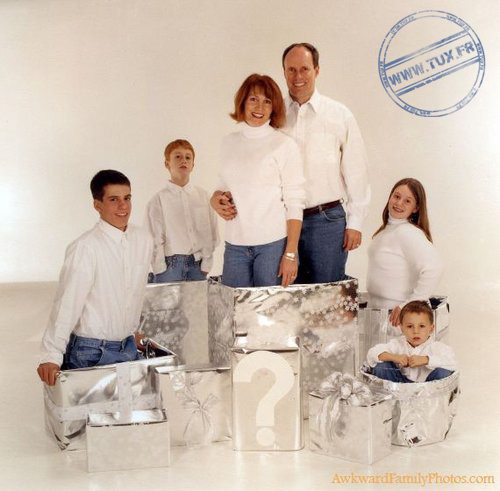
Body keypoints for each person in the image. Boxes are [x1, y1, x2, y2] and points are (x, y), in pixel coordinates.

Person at [37, 170, 153, 386]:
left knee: (137, 407)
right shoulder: (86, 248)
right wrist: (51, 356)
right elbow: (67, 304)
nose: (123, 206)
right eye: (113, 199)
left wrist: (131, 331)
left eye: (127, 198)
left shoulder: (143, 239)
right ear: (97, 205)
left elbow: (135, 292)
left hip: (127, 349)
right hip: (90, 353)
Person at [282, 42, 370, 283]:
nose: (298, 76)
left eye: (305, 69)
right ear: (284, 72)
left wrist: (355, 222)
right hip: (282, 222)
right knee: (285, 298)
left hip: (327, 222)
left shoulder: (339, 114)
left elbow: (356, 170)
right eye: (291, 70)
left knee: (327, 298)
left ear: (317, 70)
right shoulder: (274, 115)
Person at [212, 73, 306, 288]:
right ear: (243, 101)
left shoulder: (284, 145)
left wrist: (290, 254)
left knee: (271, 309)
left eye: (267, 101)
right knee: (235, 307)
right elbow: (223, 184)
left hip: (272, 246)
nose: (259, 107)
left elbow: (295, 202)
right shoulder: (229, 142)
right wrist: (215, 199)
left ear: (274, 108)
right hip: (235, 245)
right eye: (253, 99)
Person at [367, 178, 443, 325]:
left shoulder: (407, 232)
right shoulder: (387, 230)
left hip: (396, 317)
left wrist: (411, 304)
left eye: (407, 201)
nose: (399, 203)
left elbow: (435, 267)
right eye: (396, 196)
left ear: (416, 208)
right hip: (378, 311)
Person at [145, 139, 218, 282]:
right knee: (168, 298)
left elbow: (211, 231)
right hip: (170, 266)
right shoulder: (159, 199)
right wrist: (160, 268)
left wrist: (207, 262)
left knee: (197, 298)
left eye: (188, 157)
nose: (183, 160)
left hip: (198, 265)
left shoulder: (203, 196)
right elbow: (154, 236)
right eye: (177, 156)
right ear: (167, 164)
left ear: (192, 165)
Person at [366, 300, 457, 382]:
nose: (415, 331)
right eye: (410, 326)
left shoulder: (436, 347)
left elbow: (453, 362)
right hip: (399, 386)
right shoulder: (398, 344)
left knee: (442, 372)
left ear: (431, 328)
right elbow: (372, 353)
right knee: (381, 366)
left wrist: (426, 360)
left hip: (427, 388)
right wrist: (395, 357)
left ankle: (430, 396)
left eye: (421, 326)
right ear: (402, 328)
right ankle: (390, 395)